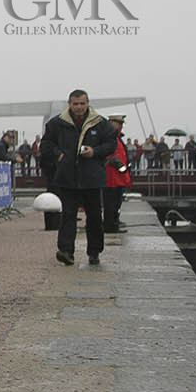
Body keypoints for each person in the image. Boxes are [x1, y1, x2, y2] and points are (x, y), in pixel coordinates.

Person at [40, 90, 117, 266]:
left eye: (82, 103)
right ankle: (66, 251)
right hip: (68, 177)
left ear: (88, 103)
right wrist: (59, 155)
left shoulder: (100, 123)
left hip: (92, 177)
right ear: (70, 104)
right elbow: (46, 144)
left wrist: (95, 152)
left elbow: (111, 143)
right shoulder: (57, 123)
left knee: (95, 216)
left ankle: (94, 251)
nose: (79, 107)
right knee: (68, 215)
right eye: (75, 104)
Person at [103, 114, 132, 233]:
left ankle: (114, 222)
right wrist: (121, 167)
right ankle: (110, 225)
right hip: (111, 176)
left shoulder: (117, 138)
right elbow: (110, 155)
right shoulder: (108, 137)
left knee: (116, 202)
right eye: (118, 123)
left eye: (121, 124)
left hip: (118, 176)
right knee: (111, 202)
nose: (120, 126)